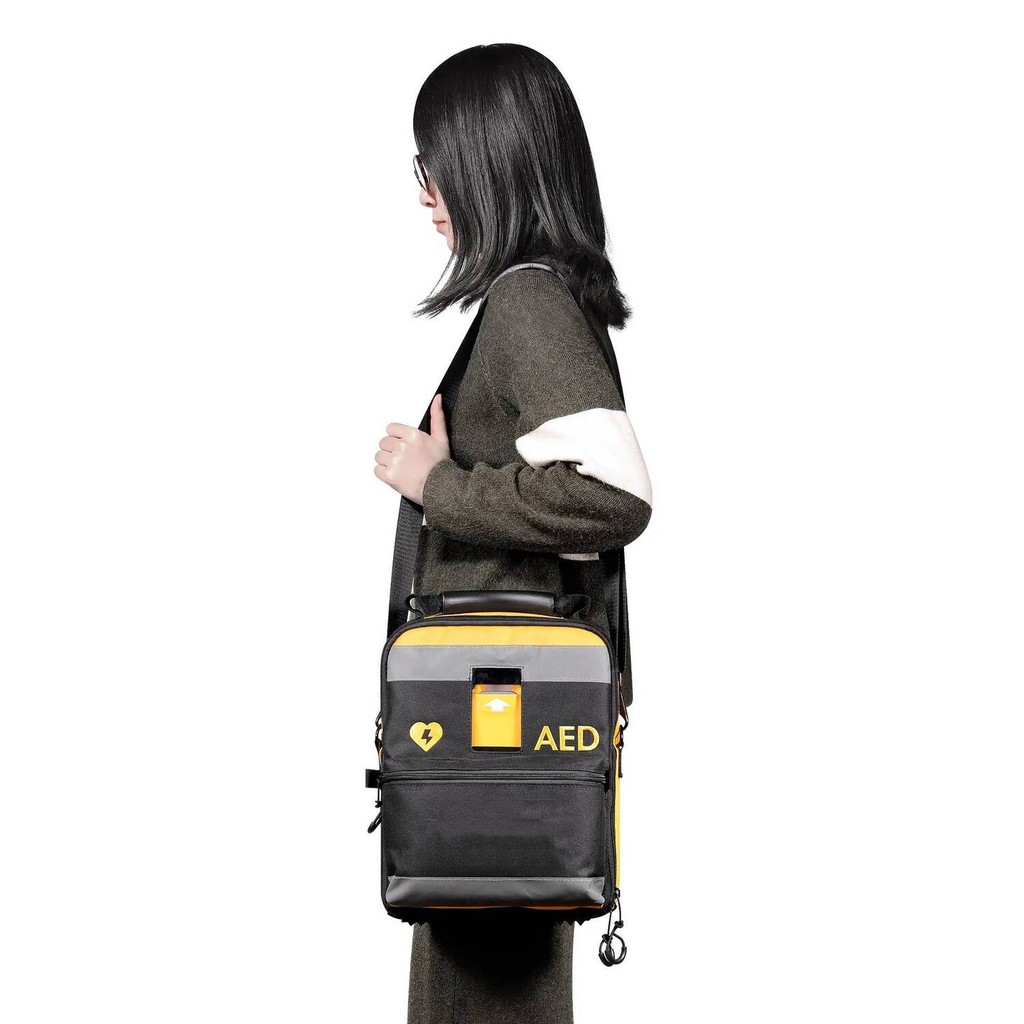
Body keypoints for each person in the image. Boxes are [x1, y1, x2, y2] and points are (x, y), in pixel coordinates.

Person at [372, 43, 653, 1024]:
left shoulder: (527, 300)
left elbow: (612, 495)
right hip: (501, 716)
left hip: (498, 719)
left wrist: (438, 484)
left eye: (436, 163)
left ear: (490, 163)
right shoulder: (540, 297)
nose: (426, 192)